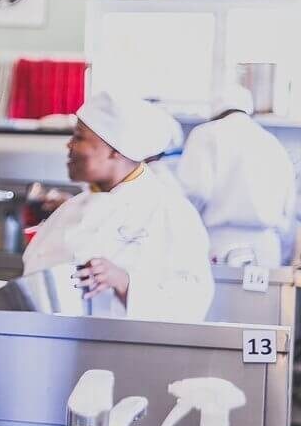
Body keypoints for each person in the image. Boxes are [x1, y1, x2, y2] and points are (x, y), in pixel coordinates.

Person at [23, 92, 214, 323]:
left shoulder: (170, 210)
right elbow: (34, 289)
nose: (69, 145)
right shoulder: (71, 209)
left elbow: (194, 302)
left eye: (79, 137)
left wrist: (125, 283)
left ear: (115, 149)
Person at [177, 84, 296, 266]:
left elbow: (195, 191)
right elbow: (288, 211)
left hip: (218, 245)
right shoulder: (272, 143)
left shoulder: (206, 134)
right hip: (266, 249)